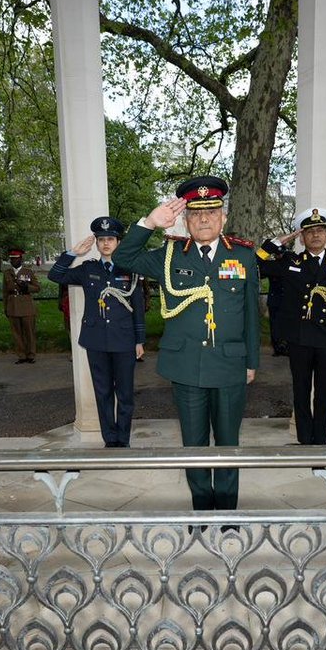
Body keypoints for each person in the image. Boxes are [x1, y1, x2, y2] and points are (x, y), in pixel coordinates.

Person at [113, 176, 260, 512]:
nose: (204, 219)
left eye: (212, 212)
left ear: (223, 217)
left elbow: (251, 312)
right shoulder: (169, 254)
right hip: (186, 366)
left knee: (228, 443)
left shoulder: (243, 255)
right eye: (195, 213)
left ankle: (227, 510)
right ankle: (202, 508)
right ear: (185, 219)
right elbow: (123, 258)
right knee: (193, 443)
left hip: (229, 364)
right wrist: (149, 223)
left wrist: (251, 361)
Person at [256, 207, 326, 445]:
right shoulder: (289, 262)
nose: (316, 235)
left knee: (324, 394)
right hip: (299, 338)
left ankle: (320, 442)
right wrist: (275, 244)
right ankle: (304, 440)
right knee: (300, 391)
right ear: (301, 238)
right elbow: (254, 266)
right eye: (310, 231)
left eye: (320, 230)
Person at [48, 216, 146, 448]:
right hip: (96, 340)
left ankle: (123, 440)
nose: (106, 243)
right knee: (103, 393)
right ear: (97, 243)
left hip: (124, 340)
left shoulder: (130, 269)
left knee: (125, 395)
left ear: (118, 242)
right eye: (101, 239)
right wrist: (73, 253)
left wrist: (139, 340)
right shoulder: (88, 269)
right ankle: (110, 440)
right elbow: (55, 276)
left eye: (110, 239)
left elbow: (138, 307)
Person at [2, 247, 41, 364]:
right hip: (13, 306)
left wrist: (27, 287)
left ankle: (31, 354)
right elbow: (5, 292)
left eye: (15, 259)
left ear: (21, 259)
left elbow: (37, 288)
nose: (13, 261)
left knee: (29, 332)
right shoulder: (7, 273)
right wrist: (6, 307)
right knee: (17, 333)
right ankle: (21, 355)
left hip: (26, 306)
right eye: (11, 259)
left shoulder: (28, 272)